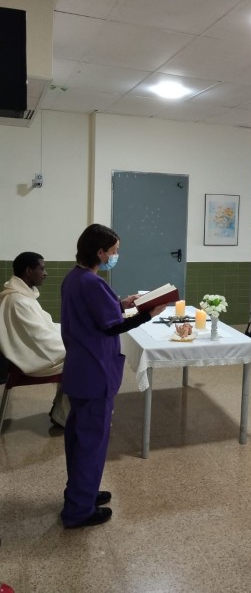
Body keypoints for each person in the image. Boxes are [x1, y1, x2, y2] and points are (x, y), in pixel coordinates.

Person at [60, 224, 166, 528]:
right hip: (95, 372)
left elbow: (95, 313)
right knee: (91, 443)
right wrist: (147, 314)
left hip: (80, 370)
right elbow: (112, 326)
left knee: (79, 439)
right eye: (114, 251)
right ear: (100, 252)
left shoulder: (74, 278)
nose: (116, 256)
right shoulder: (93, 283)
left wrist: (121, 303)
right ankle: (79, 511)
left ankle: (82, 493)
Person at [0, 252, 69, 427]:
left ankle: (63, 412)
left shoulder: (23, 296)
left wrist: (71, 332)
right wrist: (73, 343)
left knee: (80, 352)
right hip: (28, 360)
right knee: (83, 360)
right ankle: (65, 416)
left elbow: (46, 327)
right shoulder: (18, 300)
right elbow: (40, 338)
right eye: (42, 269)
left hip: (33, 351)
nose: (45, 273)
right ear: (29, 271)